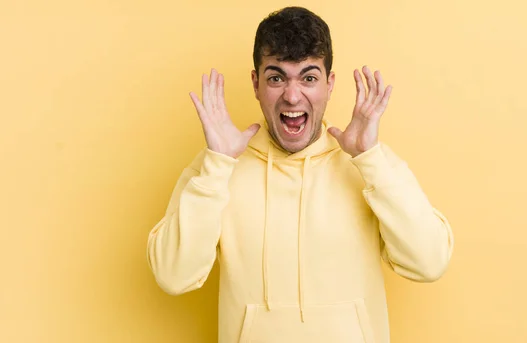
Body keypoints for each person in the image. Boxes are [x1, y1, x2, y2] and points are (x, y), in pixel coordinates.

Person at [146, 6, 454, 343]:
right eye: (276, 78)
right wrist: (218, 164)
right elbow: (173, 276)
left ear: (329, 84)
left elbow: (430, 262)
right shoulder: (219, 167)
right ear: (256, 83)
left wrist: (371, 159)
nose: (292, 96)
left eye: (308, 77)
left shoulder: (368, 164)